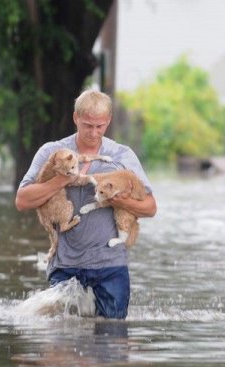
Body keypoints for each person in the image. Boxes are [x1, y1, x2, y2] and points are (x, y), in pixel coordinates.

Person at [15, 89, 157, 319]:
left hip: (110, 265)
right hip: (65, 264)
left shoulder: (122, 156)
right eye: (87, 125)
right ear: (75, 118)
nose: (93, 133)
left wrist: (124, 201)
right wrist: (62, 179)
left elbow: (150, 208)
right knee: (61, 343)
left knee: (112, 340)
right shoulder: (53, 153)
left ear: (108, 121)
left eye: (100, 126)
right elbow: (22, 201)